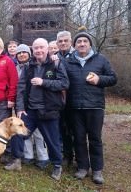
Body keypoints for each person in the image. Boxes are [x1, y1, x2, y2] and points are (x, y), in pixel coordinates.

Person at [5, 38, 69, 181]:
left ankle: (57, 165)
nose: (39, 50)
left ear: (47, 49)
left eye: (41, 47)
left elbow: (64, 83)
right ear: (32, 50)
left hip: (49, 110)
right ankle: (16, 160)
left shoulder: (56, 64)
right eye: (36, 48)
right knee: (16, 133)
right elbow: (20, 89)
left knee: (52, 140)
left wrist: (43, 82)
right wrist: (20, 108)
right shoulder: (28, 66)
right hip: (30, 111)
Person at [64, 29, 117, 184]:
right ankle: (82, 167)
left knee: (95, 139)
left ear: (89, 44)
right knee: (78, 139)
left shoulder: (100, 59)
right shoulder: (68, 62)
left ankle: (97, 170)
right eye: (79, 42)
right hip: (74, 108)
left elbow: (113, 78)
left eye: (84, 41)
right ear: (74, 45)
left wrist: (99, 79)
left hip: (95, 107)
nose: (82, 44)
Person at [15, 44, 49, 169]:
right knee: (24, 130)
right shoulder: (15, 67)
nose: (21, 54)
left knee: (39, 132)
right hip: (22, 104)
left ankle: (43, 157)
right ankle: (28, 155)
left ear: (29, 54)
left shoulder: (34, 65)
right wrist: (19, 106)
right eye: (19, 53)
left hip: (37, 104)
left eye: (24, 52)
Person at [55, 30, 75, 167]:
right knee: (63, 128)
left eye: (65, 40)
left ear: (70, 42)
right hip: (60, 99)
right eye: (60, 41)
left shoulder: (77, 55)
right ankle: (67, 155)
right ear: (57, 43)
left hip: (75, 97)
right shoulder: (54, 57)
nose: (63, 43)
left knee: (76, 130)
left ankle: (81, 158)